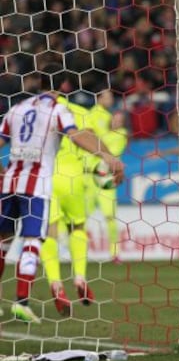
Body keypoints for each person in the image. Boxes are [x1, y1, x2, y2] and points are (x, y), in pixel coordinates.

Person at [0, 64, 124, 323]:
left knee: (3, 241)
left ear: (37, 81)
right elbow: (77, 134)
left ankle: (53, 282)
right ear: (65, 86)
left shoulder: (17, 108)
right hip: (41, 184)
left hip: (10, 182)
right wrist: (108, 157)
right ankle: (22, 301)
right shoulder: (59, 109)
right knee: (36, 238)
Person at [40, 96, 99, 316]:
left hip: (46, 178)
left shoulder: (34, 110)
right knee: (78, 227)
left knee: (50, 233)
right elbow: (90, 142)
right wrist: (98, 166)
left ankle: (56, 283)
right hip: (73, 178)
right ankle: (80, 277)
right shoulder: (80, 111)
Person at [85, 90, 128, 263]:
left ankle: (115, 253)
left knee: (110, 216)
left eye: (120, 119)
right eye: (115, 118)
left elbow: (102, 145)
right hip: (89, 174)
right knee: (82, 216)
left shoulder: (121, 134)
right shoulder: (95, 117)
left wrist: (96, 138)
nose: (116, 120)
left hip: (107, 176)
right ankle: (77, 251)